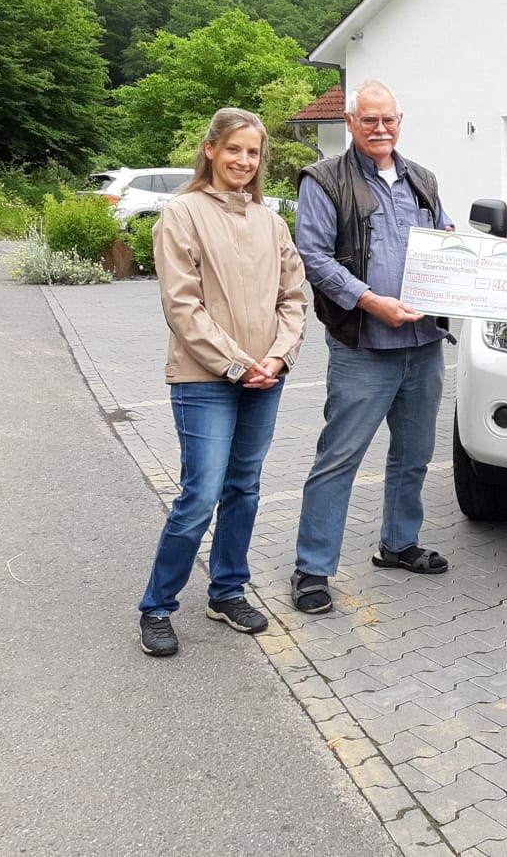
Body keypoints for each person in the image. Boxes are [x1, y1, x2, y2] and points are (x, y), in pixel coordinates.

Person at [138, 108, 307, 656]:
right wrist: (238, 364)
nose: (243, 160)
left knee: (244, 488)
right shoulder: (181, 215)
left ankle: (227, 590)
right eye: (233, 149)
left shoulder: (272, 222)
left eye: (253, 152)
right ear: (210, 149)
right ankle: (158, 607)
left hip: (266, 378)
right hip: (205, 380)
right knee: (201, 495)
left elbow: (293, 299)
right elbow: (182, 306)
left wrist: (277, 359)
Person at [290, 80, 454, 615]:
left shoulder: (422, 179)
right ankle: (312, 569)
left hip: (424, 343)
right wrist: (369, 300)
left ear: (400, 121)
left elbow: (447, 241)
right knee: (339, 458)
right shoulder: (323, 180)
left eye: (389, 120)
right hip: (364, 343)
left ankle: (399, 544)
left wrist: (492, 264)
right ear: (350, 122)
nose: (380, 129)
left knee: (414, 456)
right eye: (369, 121)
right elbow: (313, 258)